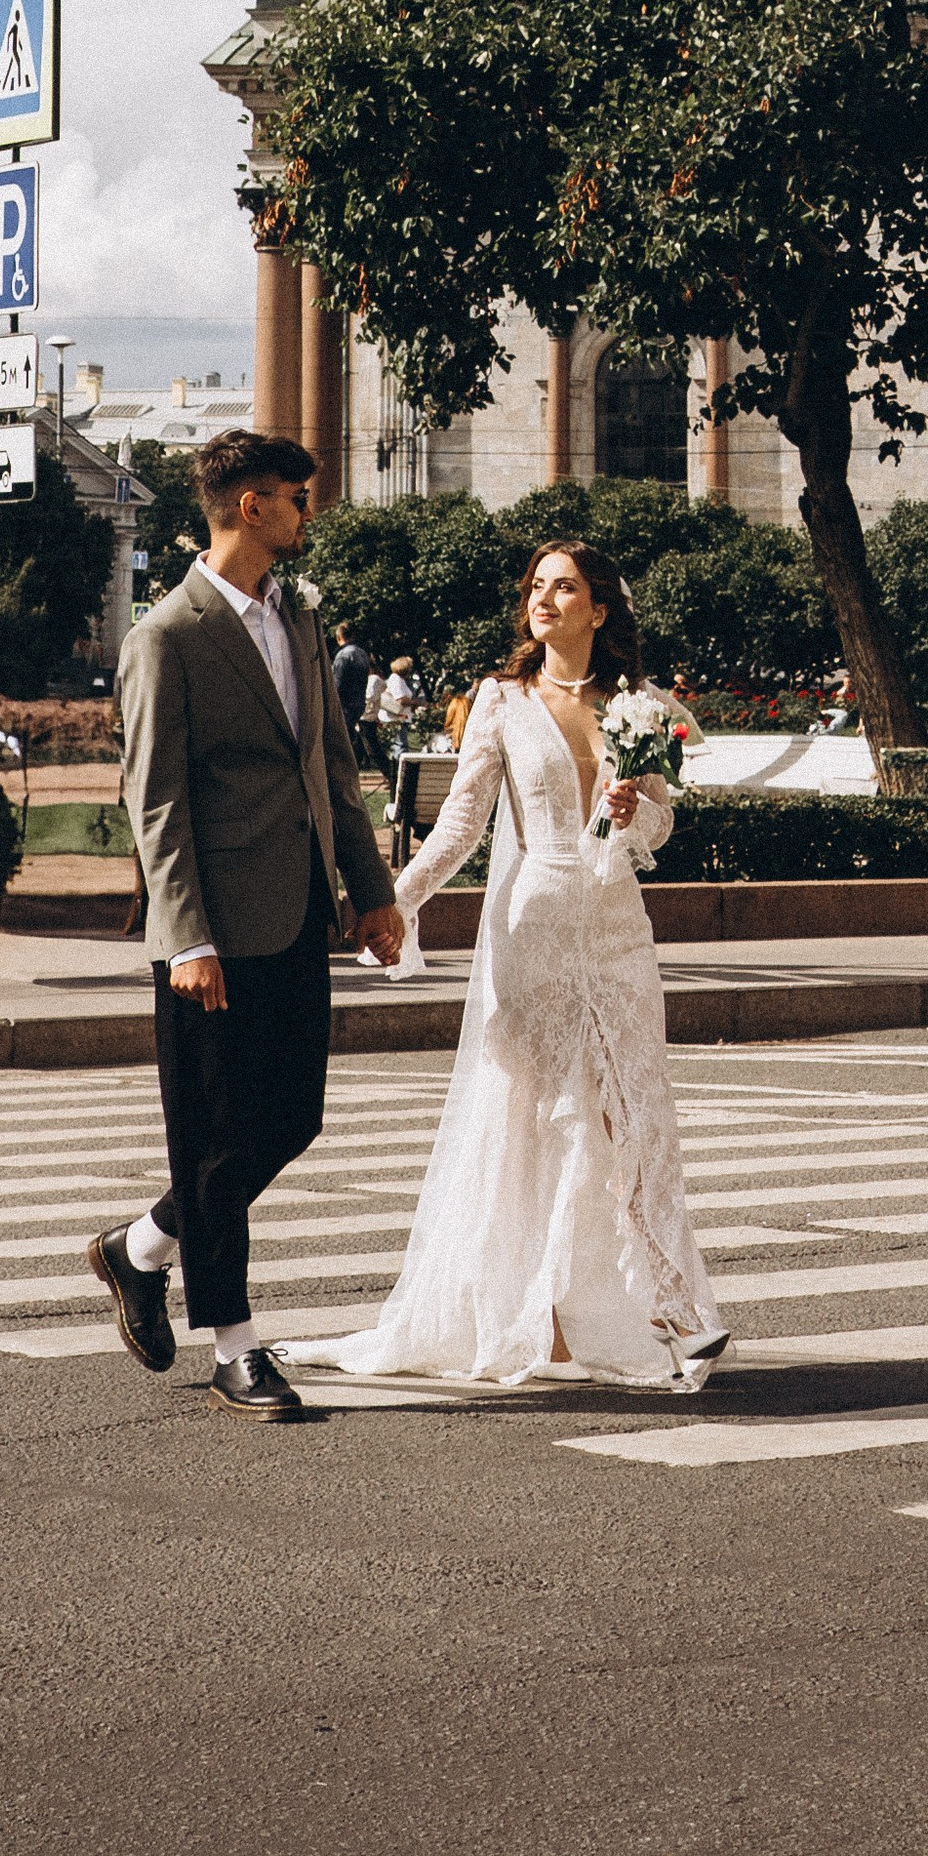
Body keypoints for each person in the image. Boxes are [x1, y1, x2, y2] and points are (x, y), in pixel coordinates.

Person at [291, 541, 725, 1393]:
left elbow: (659, 833)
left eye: (565, 587)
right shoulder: (501, 700)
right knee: (546, 1126)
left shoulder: (641, 707)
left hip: (616, 931)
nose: (545, 599)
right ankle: (548, 1321)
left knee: (637, 1119)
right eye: (537, 586)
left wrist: (633, 811)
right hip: (533, 933)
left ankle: (675, 1311)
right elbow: (459, 827)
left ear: (600, 609)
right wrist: (393, 903)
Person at [86, 430, 403, 1417]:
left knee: (289, 1120)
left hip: (299, 912)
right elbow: (158, 802)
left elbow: (331, 769)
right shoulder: (166, 637)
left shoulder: (297, 620)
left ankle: (138, 1249)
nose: (310, 516)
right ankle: (235, 1347)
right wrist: (185, 938)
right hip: (211, 935)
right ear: (253, 507)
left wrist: (373, 890)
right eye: (297, 501)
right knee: (214, 1140)